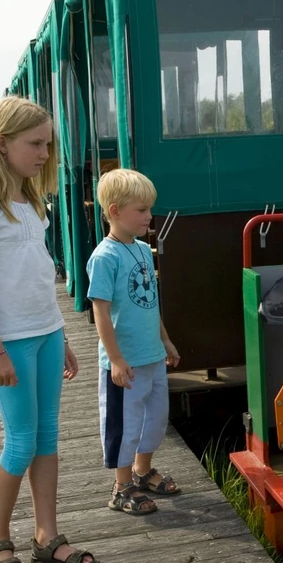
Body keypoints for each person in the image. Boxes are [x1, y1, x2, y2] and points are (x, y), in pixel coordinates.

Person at [0, 96, 100, 563]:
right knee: (19, 443)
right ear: (1, 144)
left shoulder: (30, 199)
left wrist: (60, 332)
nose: (45, 153)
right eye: (35, 144)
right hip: (12, 343)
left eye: (48, 144)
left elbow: (39, 275)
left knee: (46, 439)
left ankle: (47, 536)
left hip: (45, 334)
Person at [86, 169, 182, 516]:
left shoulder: (142, 249)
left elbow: (150, 301)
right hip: (124, 361)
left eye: (149, 209)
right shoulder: (104, 257)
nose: (149, 216)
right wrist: (114, 358)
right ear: (115, 211)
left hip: (151, 354)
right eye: (141, 210)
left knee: (154, 419)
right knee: (124, 424)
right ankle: (121, 485)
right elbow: (100, 309)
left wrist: (165, 340)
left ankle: (142, 472)